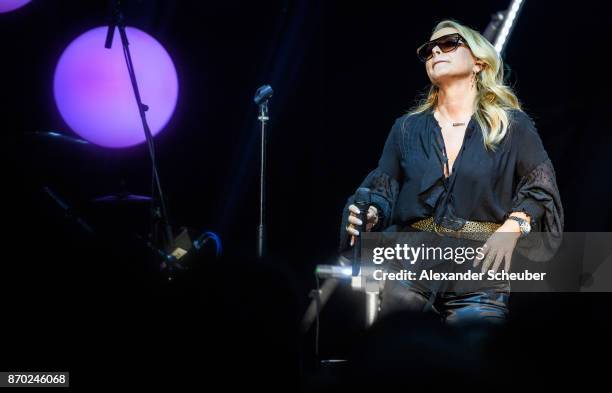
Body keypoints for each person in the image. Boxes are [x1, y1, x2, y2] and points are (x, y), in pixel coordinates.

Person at [339, 20, 564, 325]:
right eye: (428, 50)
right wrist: (371, 212)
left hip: (480, 273)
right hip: (411, 269)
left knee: (475, 360)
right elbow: (384, 189)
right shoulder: (406, 128)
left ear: (478, 62)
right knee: (405, 359)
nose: (434, 51)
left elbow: (540, 187)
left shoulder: (512, 126)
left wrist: (513, 226)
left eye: (448, 43)